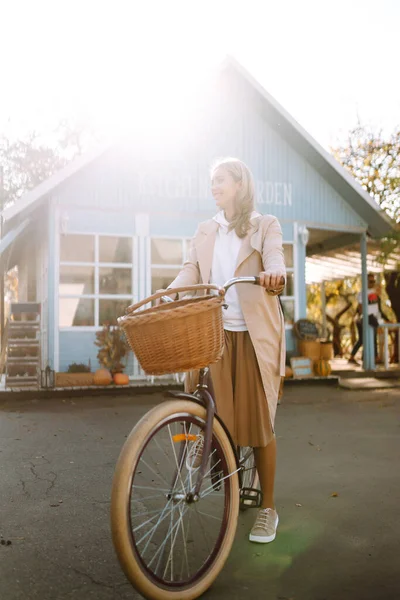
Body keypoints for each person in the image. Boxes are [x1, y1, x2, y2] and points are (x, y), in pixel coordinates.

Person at [159, 157, 286, 544]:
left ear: (239, 184)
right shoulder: (204, 231)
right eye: (211, 181)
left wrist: (275, 273)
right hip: (215, 334)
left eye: (220, 180)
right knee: (219, 418)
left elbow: (277, 258)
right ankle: (214, 462)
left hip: (253, 334)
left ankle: (268, 508)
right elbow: (191, 271)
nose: (214, 186)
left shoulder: (264, 225)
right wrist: (168, 294)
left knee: (261, 425)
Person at [348, 273, 386, 365]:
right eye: (370, 281)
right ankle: (373, 357)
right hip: (364, 318)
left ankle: (364, 357)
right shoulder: (362, 293)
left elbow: (377, 307)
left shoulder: (374, 293)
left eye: (373, 281)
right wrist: (362, 318)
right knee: (365, 338)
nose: (372, 283)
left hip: (373, 318)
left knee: (367, 338)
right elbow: (360, 307)